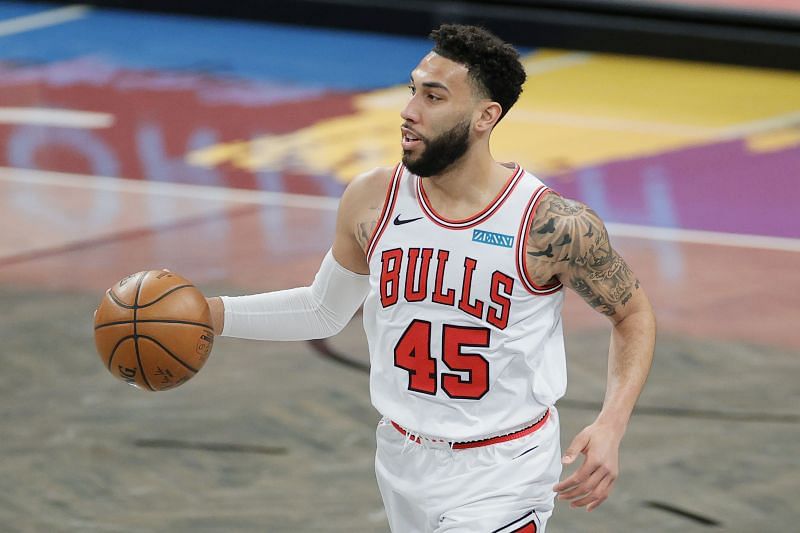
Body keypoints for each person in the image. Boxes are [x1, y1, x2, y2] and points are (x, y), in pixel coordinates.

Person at [206, 23, 656, 533]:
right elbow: (323, 309)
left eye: (434, 96)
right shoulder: (372, 199)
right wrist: (207, 315)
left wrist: (612, 423)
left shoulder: (550, 224)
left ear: (486, 117)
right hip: (400, 456)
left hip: (503, 471)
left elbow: (632, 312)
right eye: (413, 89)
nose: (409, 109)